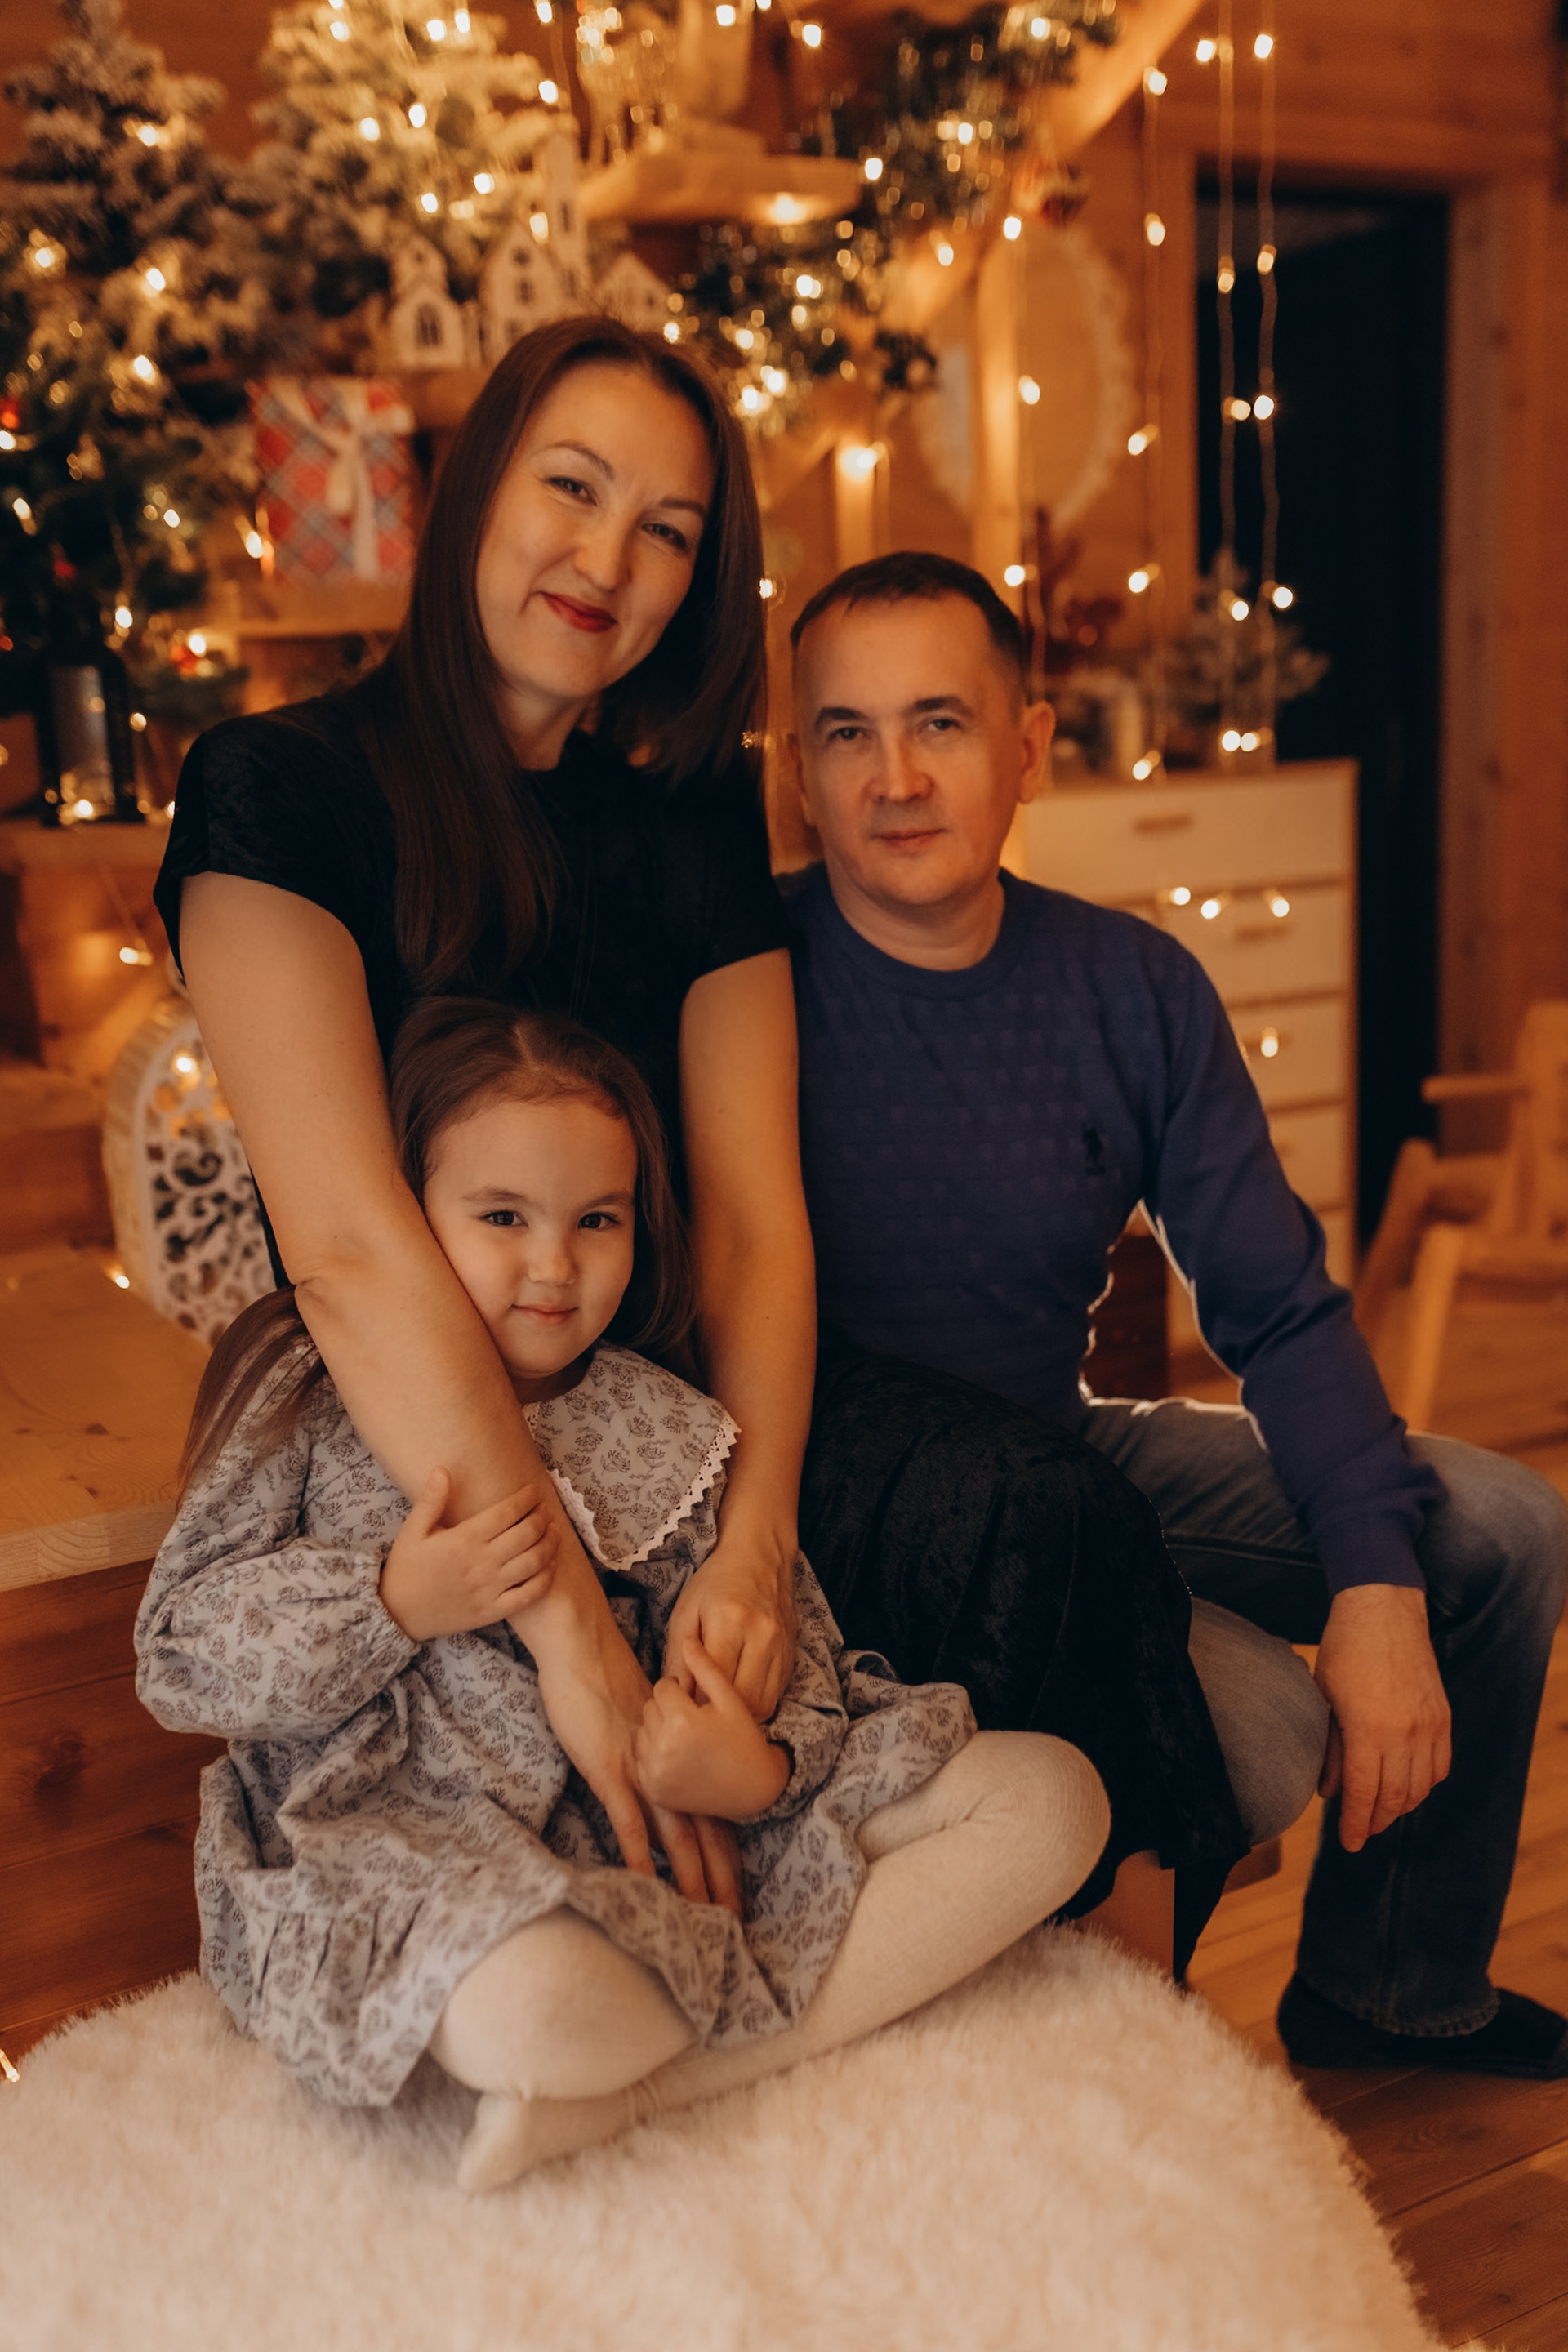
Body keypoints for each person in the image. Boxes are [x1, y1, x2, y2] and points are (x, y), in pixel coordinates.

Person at [154, 316, 1250, 1973]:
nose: (610, 561)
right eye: (572, 488)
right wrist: (575, 1638)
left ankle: (1130, 2041)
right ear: (474, 490)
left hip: (673, 1400)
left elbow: (746, 1218)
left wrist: (757, 1537)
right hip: (408, 1403)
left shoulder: (692, 812)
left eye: (668, 531)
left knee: (1044, 1507)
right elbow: (350, 1244)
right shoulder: (274, 789)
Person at [783, 548, 1568, 2077]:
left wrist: (1378, 1585)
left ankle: (1390, 1987)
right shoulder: (747, 979)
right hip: (846, 1522)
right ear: (797, 771)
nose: (896, 778)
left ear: (1028, 745)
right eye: (846, 733)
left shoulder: (1131, 986)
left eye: (940, 723)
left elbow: (1277, 1308)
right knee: (1257, 1727)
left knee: (1499, 1532)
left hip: (1069, 1449)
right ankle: (1111, 2058)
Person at [136, 999, 1113, 2193]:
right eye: (503, 1217)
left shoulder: (668, 1420)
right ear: (408, 1212)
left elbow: (793, 1645)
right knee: (538, 2007)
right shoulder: (303, 1388)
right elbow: (178, 1657)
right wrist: (392, 1601)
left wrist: (753, 1770)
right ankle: (621, 2050)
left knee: (1052, 1804)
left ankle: (637, 2092)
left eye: (596, 1219)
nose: (555, 1266)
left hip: (675, 1852)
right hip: (422, 1852)